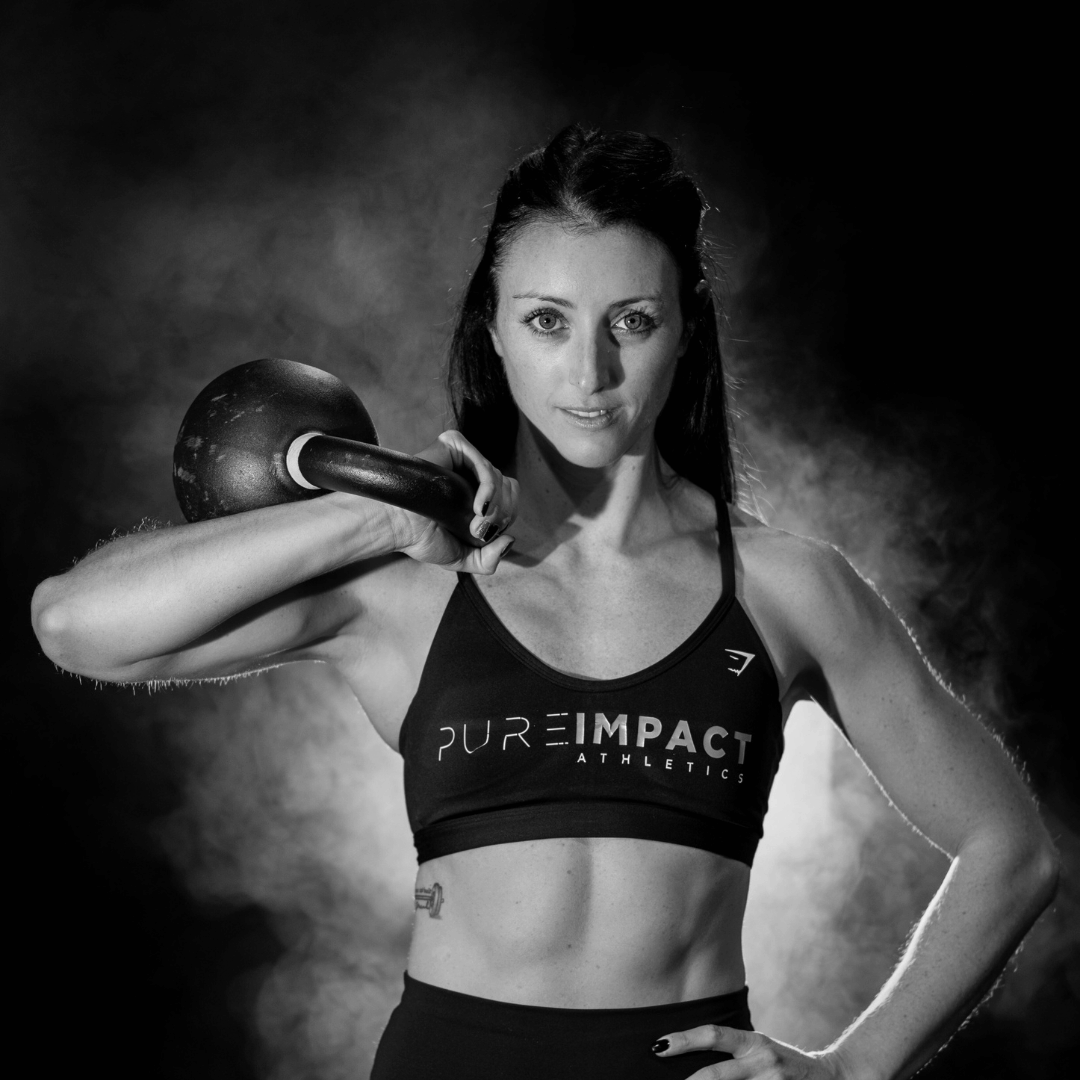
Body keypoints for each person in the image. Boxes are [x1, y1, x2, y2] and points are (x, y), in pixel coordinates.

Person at [31, 126, 1057, 1079]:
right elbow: (78, 624)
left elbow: (1011, 851)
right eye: (548, 321)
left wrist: (853, 1069)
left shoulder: (790, 586)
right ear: (495, 329)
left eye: (635, 322)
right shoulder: (407, 583)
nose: (592, 371)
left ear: (687, 331)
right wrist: (377, 518)